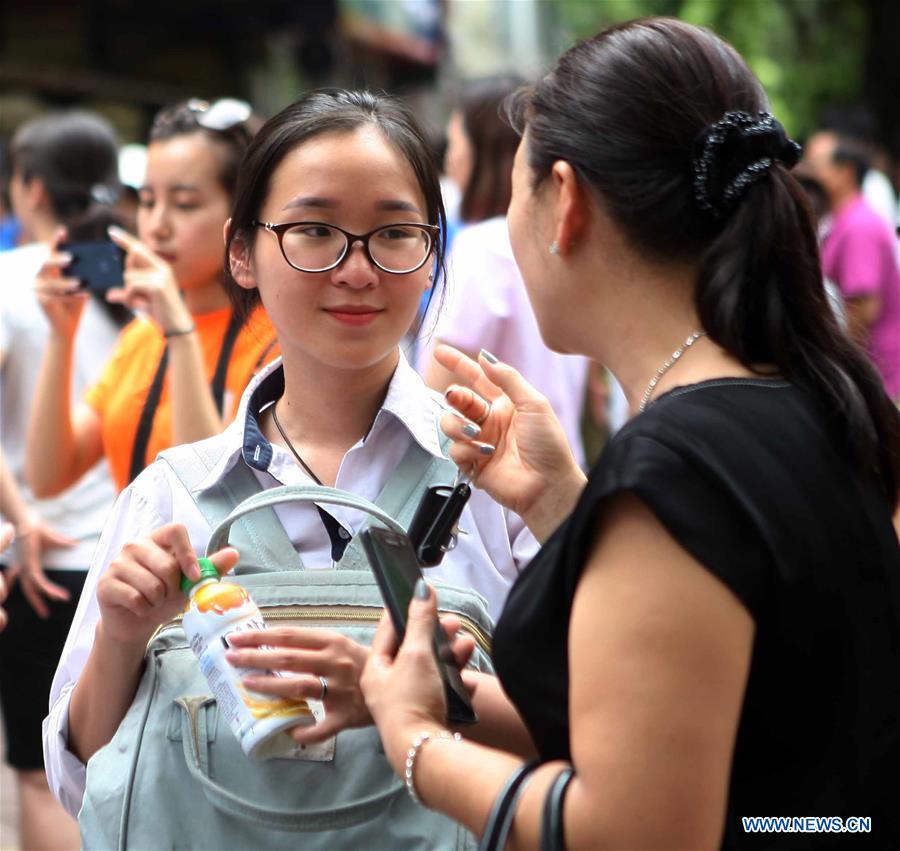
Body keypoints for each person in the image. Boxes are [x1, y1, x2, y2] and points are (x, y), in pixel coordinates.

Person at [359, 17, 900, 850]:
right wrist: (565, 504)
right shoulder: (817, 397)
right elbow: (772, 761)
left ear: (565, 201)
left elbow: (637, 829)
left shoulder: (678, 466)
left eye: (512, 194)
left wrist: (416, 740)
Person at [43, 90, 538, 828]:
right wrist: (121, 635)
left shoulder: (505, 480)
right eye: (314, 229)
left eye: (395, 231)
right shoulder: (167, 496)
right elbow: (81, 774)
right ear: (241, 252)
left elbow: (589, 738)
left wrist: (435, 692)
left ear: (434, 253)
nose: (357, 268)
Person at [25, 98, 279, 498]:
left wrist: (180, 332)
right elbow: (47, 477)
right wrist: (61, 336)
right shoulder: (141, 337)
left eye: (184, 204)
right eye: (146, 202)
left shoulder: (276, 344)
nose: (156, 226)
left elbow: (207, 495)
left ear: (243, 213)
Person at [0, 109, 127, 851]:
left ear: (31, 187)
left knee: (40, 773)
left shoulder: (18, 278)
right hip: (139, 559)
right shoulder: (145, 270)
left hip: (40, 561)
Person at [419, 76, 590, 465]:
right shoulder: (563, 245)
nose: (450, 155)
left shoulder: (485, 249)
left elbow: (438, 389)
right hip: (561, 469)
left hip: (496, 485)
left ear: (480, 150)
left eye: (456, 138)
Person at [804, 129, 900, 403]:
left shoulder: (859, 226)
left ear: (844, 172)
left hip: (878, 375)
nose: (808, 174)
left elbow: (863, 308)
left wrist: (836, 366)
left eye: (815, 166)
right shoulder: (843, 220)